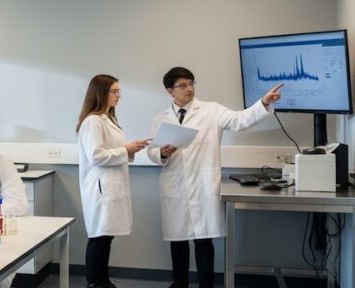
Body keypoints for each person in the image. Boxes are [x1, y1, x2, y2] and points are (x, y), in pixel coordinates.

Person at [147, 67, 282, 288]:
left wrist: (263, 103)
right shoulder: (160, 118)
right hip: (175, 185)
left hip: (202, 185)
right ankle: (179, 282)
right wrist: (161, 153)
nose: (189, 89)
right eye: (183, 85)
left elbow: (240, 120)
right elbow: (152, 150)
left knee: (203, 239)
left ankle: (206, 284)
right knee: (177, 239)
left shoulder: (211, 110)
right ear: (169, 91)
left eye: (192, 83)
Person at [77, 74, 147, 288]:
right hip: (100, 189)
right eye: (114, 92)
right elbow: (96, 155)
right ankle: (94, 282)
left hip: (110, 185)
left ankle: (102, 280)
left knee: (105, 236)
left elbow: (112, 150)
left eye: (119, 91)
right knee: (99, 236)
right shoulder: (92, 122)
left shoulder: (109, 119)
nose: (118, 96)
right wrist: (126, 149)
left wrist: (131, 148)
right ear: (100, 93)